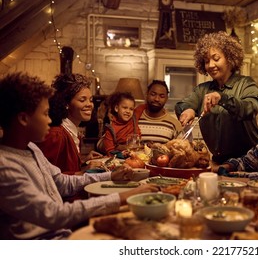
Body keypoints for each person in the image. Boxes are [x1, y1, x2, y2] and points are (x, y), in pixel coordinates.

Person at [0, 72, 158, 239]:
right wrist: (121, 197)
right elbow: (54, 214)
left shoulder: (31, 148)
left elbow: (62, 182)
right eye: (45, 113)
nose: (49, 120)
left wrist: (111, 175)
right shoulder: (6, 167)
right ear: (24, 119)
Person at [175, 31, 258, 164]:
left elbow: (250, 108)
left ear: (230, 58)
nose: (210, 65)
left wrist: (222, 98)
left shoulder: (246, 83)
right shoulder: (202, 89)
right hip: (218, 161)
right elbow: (181, 105)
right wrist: (188, 110)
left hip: (250, 161)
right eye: (206, 61)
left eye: (216, 59)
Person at [36, 73, 103, 175]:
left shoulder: (70, 131)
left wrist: (83, 162)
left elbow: (64, 167)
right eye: (82, 100)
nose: (89, 105)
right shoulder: (56, 135)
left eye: (91, 100)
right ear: (66, 104)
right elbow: (45, 176)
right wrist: (83, 171)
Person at [134, 80, 182, 145]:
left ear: (166, 98)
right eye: (153, 94)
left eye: (161, 96)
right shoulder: (135, 119)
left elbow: (180, 150)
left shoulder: (174, 124)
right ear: (147, 94)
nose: (156, 99)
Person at [99, 91, 140, 155]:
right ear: (116, 108)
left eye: (131, 109)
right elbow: (110, 151)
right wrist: (122, 155)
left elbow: (138, 137)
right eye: (125, 108)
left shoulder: (133, 122)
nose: (128, 111)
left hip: (133, 155)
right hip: (118, 158)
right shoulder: (111, 129)